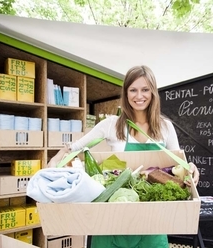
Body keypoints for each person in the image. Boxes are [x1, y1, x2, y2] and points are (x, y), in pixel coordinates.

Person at [48, 65, 200, 248]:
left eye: (145, 90)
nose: (139, 96)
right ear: (126, 93)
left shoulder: (165, 127)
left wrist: (191, 169)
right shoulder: (111, 125)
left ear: (153, 93)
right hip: (112, 221)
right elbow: (73, 148)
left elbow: (179, 165)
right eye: (133, 90)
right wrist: (55, 161)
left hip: (152, 221)